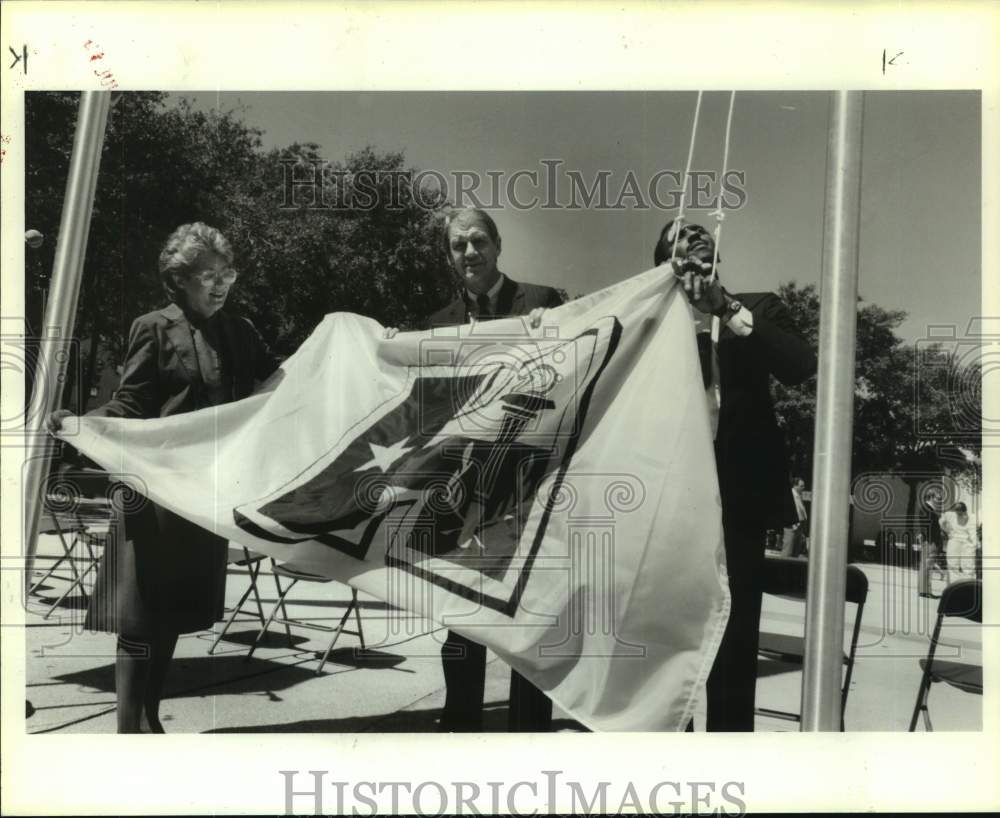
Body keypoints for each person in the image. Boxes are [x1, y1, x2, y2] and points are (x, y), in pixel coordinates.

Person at [48, 222, 279, 733]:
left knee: (174, 612)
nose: (219, 284)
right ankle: (128, 728)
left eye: (226, 273)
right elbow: (131, 403)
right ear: (179, 281)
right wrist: (82, 425)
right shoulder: (151, 327)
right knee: (140, 614)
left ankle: (151, 718)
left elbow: (275, 382)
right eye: (206, 275)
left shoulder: (241, 332)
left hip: (206, 494)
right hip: (152, 493)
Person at [654, 218, 817, 731]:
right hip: (668, 501)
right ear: (663, 262)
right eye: (678, 234)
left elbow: (799, 363)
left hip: (737, 500)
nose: (693, 234)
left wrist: (722, 307)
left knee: (736, 633)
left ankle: (730, 760)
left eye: (701, 231)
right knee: (668, 643)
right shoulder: (649, 322)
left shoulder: (756, 305)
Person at [425, 207, 563, 732]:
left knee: (531, 616)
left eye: (478, 241)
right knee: (461, 618)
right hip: (463, 491)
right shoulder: (436, 325)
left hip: (531, 487)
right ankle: (461, 726)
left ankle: (528, 733)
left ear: (499, 245)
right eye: (458, 246)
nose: (469, 254)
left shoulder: (543, 303)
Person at [939, 501, 977, 583]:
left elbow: (973, 532)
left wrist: (975, 543)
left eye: (960, 513)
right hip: (954, 540)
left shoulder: (971, 517)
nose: (959, 515)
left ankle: (968, 586)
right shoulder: (950, 515)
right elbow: (942, 522)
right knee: (952, 564)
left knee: (968, 566)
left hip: (967, 541)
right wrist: (947, 530)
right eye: (957, 512)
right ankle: (953, 586)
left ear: (964, 511)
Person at [781, 477, 809, 558]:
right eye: (801, 486)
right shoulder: (791, 495)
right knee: (787, 553)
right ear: (795, 486)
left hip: (799, 527)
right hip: (791, 527)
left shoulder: (798, 496)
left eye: (803, 486)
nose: (803, 488)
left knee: (795, 553)